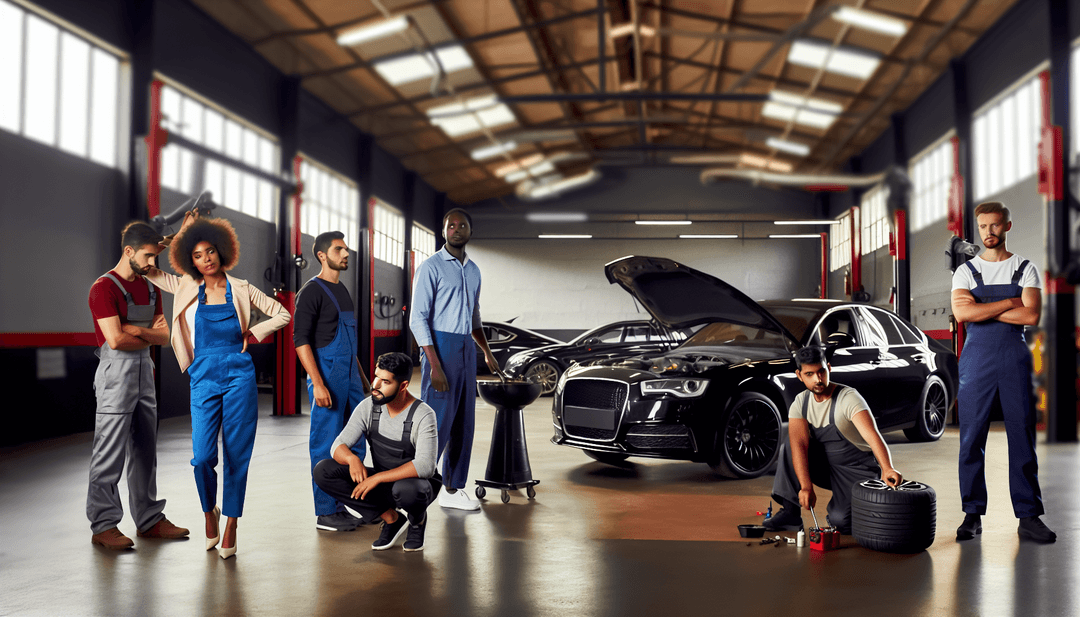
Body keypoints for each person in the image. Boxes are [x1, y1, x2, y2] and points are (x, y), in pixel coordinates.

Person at [147, 211, 290, 558]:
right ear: (189, 260)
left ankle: (231, 523)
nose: (205, 259)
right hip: (202, 376)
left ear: (221, 251)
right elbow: (147, 267)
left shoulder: (241, 288)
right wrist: (180, 234)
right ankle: (207, 509)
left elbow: (283, 314)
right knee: (202, 457)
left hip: (240, 374)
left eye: (209, 251)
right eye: (196, 254)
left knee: (237, 455)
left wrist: (254, 332)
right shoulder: (185, 285)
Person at [950, 201, 1055, 543]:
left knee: (1022, 435)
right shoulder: (964, 271)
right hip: (976, 361)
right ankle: (972, 514)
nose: (989, 232)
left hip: (1014, 358)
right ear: (978, 229)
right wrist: (1011, 302)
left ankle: (1029, 517)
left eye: (995, 226)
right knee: (971, 438)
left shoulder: (1026, 268)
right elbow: (962, 314)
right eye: (983, 227)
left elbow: (1030, 317)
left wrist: (983, 309)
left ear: (1007, 226)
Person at [86, 222, 189, 549]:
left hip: (146, 371)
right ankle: (104, 525)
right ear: (128, 251)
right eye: (147, 256)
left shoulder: (150, 287)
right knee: (109, 452)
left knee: (146, 449)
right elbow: (114, 341)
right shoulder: (103, 289)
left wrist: (135, 329)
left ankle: (149, 520)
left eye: (155, 257)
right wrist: (143, 334)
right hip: (116, 375)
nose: (152, 265)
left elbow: (167, 336)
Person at [409, 208, 501, 511]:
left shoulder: (473, 270)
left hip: (465, 349)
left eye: (462, 225)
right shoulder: (431, 267)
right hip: (440, 348)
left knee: (464, 422)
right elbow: (417, 318)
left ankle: (452, 488)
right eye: (451, 225)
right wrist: (434, 364)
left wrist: (486, 351)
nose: (456, 229)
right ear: (443, 231)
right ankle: (413, 488)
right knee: (436, 423)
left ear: (470, 232)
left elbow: (474, 315)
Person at [763, 346, 902, 534]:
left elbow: (872, 435)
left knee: (842, 523)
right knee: (790, 444)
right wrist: (805, 487)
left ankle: (846, 508)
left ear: (828, 368)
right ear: (799, 375)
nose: (818, 379)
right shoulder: (801, 403)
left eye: (821, 371)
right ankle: (790, 513)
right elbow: (799, 445)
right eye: (810, 374)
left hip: (856, 469)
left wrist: (887, 468)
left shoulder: (848, 398)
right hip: (826, 466)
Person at [313, 352, 440, 551]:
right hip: (385, 484)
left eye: (385, 382)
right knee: (324, 470)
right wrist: (352, 459)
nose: (375, 386)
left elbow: (425, 466)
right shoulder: (368, 407)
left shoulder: (424, 415)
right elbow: (337, 445)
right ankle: (392, 519)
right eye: (376, 377)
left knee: (406, 490)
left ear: (403, 386)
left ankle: (417, 521)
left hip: (416, 487)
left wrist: (377, 478)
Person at [294, 231, 372, 532]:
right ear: (322, 255)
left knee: (356, 442)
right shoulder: (311, 291)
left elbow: (350, 345)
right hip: (327, 376)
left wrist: (364, 381)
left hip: (351, 377)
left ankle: (357, 503)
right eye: (339, 249)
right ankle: (327, 512)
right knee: (327, 444)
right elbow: (300, 340)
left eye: (346, 248)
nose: (346, 253)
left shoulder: (343, 291)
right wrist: (318, 383)